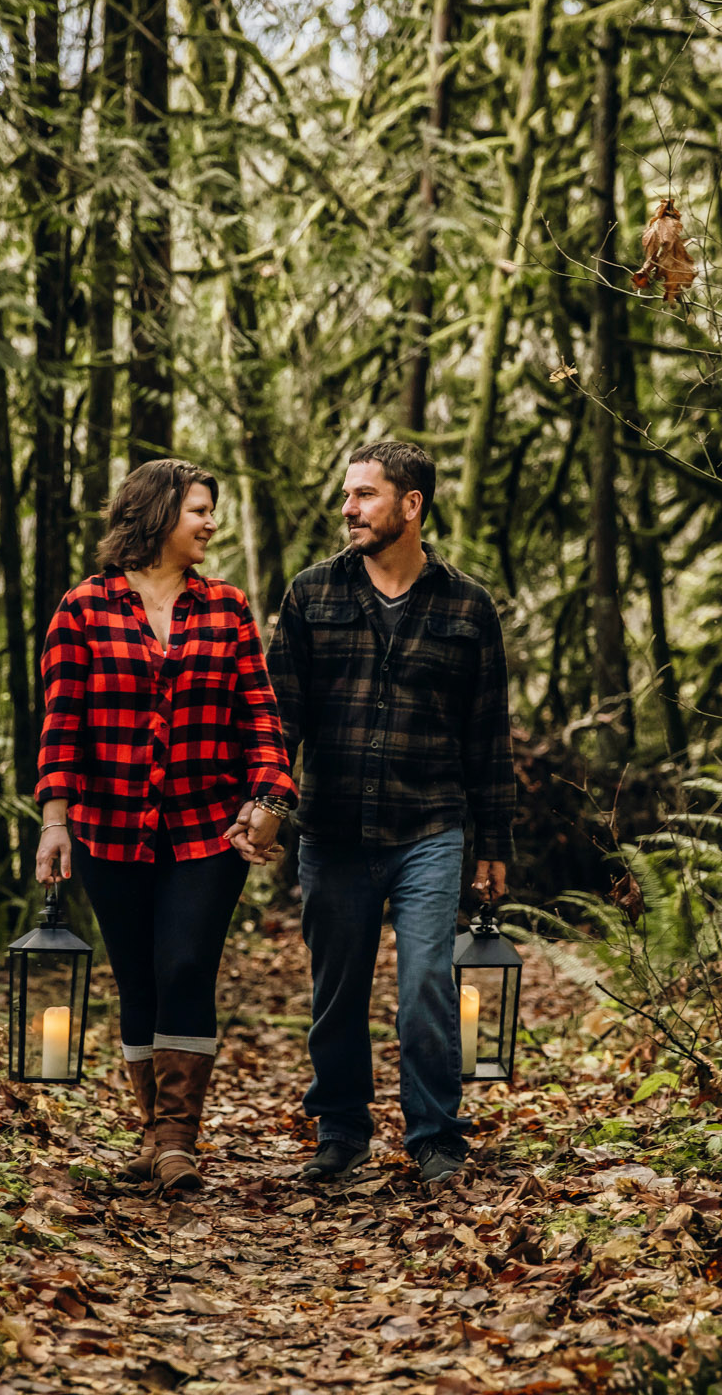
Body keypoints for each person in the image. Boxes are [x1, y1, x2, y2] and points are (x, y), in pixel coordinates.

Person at [35, 458, 293, 1193]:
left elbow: (262, 721)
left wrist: (269, 802)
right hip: (108, 828)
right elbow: (62, 725)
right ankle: (157, 1137)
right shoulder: (81, 609)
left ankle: (176, 1136)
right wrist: (56, 823)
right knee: (139, 978)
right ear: (156, 515)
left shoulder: (229, 609)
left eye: (212, 511)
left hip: (207, 828)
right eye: (199, 510)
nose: (211, 523)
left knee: (184, 963)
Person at [262, 440, 514, 1188]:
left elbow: (488, 736)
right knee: (336, 993)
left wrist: (492, 843)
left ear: (411, 506)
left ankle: (436, 1135)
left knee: (427, 987)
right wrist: (272, 801)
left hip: (429, 828)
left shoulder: (469, 606)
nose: (347, 509)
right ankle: (342, 1132)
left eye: (364, 495)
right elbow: (280, 718)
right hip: (333, 830)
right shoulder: (312, 595)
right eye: (347, 495)